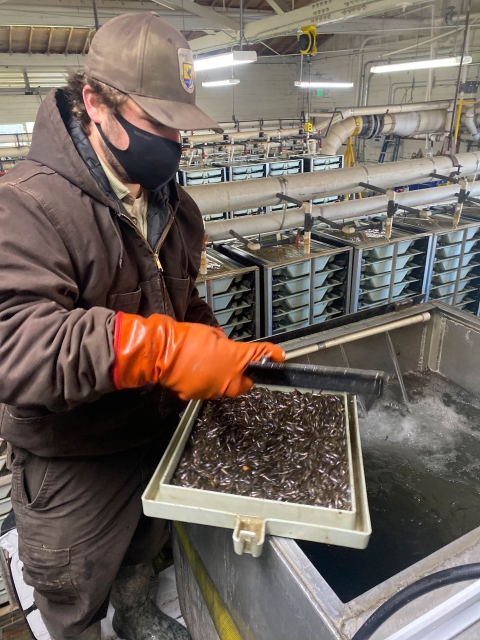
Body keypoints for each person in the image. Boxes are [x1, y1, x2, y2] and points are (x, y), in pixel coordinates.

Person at [0, 12, 284, 640]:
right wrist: (161, 351)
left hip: (155, 435)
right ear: (94, 102)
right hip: (74, 460)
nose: (173, 143)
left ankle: (134, 607)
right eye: (155, 124)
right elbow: (15, 345)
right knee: (73, 587)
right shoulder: (26, 205)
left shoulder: (172, 204)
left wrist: (219, 347)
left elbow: (181, 308)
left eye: (179, 126)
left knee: (143, 545)